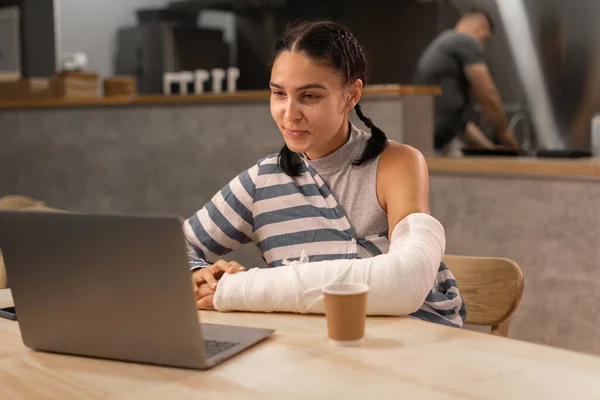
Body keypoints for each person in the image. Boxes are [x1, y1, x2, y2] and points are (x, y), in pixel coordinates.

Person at [184, 21, 465, 327]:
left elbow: (405, 281)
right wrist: (196, 273)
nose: (289, 113)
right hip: (318, 353)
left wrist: (237, 289)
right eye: (279, 94)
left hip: (414, 349)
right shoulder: (261, 183)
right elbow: (174, 249)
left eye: (310, 97)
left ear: (352, 94)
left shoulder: (396, 165)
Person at [414, 7, 520, 154]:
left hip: (432, 140)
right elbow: (488, 95)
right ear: (482, 29)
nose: (482, 46)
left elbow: (461, 123)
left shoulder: (445, 44)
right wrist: (504, 132)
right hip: (434, 144)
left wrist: (490, 148)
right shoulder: (463, 40)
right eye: (486, 40)